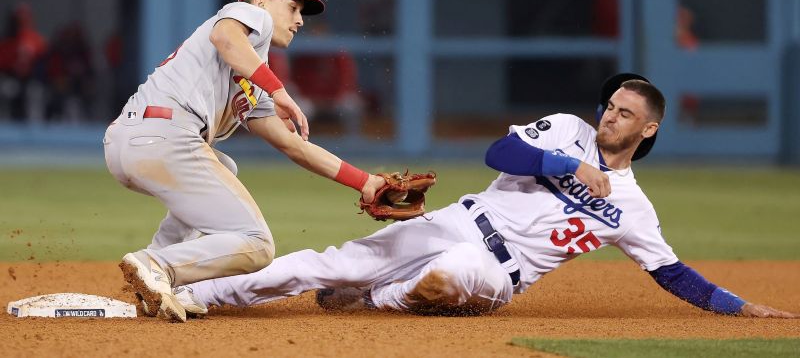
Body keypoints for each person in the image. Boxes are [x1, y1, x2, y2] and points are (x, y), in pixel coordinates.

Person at [180, 73, 797, 320]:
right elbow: (498, 156)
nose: (610, 116)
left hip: (495, 273)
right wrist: (567, 166)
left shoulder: (633, 208)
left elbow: (671, 272)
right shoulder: (567, 130)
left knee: (444, 279)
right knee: (323, 262)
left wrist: (742, 309)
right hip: (458, 221)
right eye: (610, 105)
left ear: (648, 128)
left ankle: (374, 298)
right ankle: (189, 295)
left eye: (625, 112)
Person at [103, 0, 388, 323]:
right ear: (262, 0)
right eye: (293, 7)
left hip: (132, 141)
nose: (299, 20)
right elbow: (225, 37)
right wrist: (278, 88)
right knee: (257, 243)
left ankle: (157, 272)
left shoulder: (250, 72)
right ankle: (157, 264)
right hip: (164, 135)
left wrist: (365, 183)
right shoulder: (252, 17)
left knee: (225, 166)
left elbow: (293, 145)